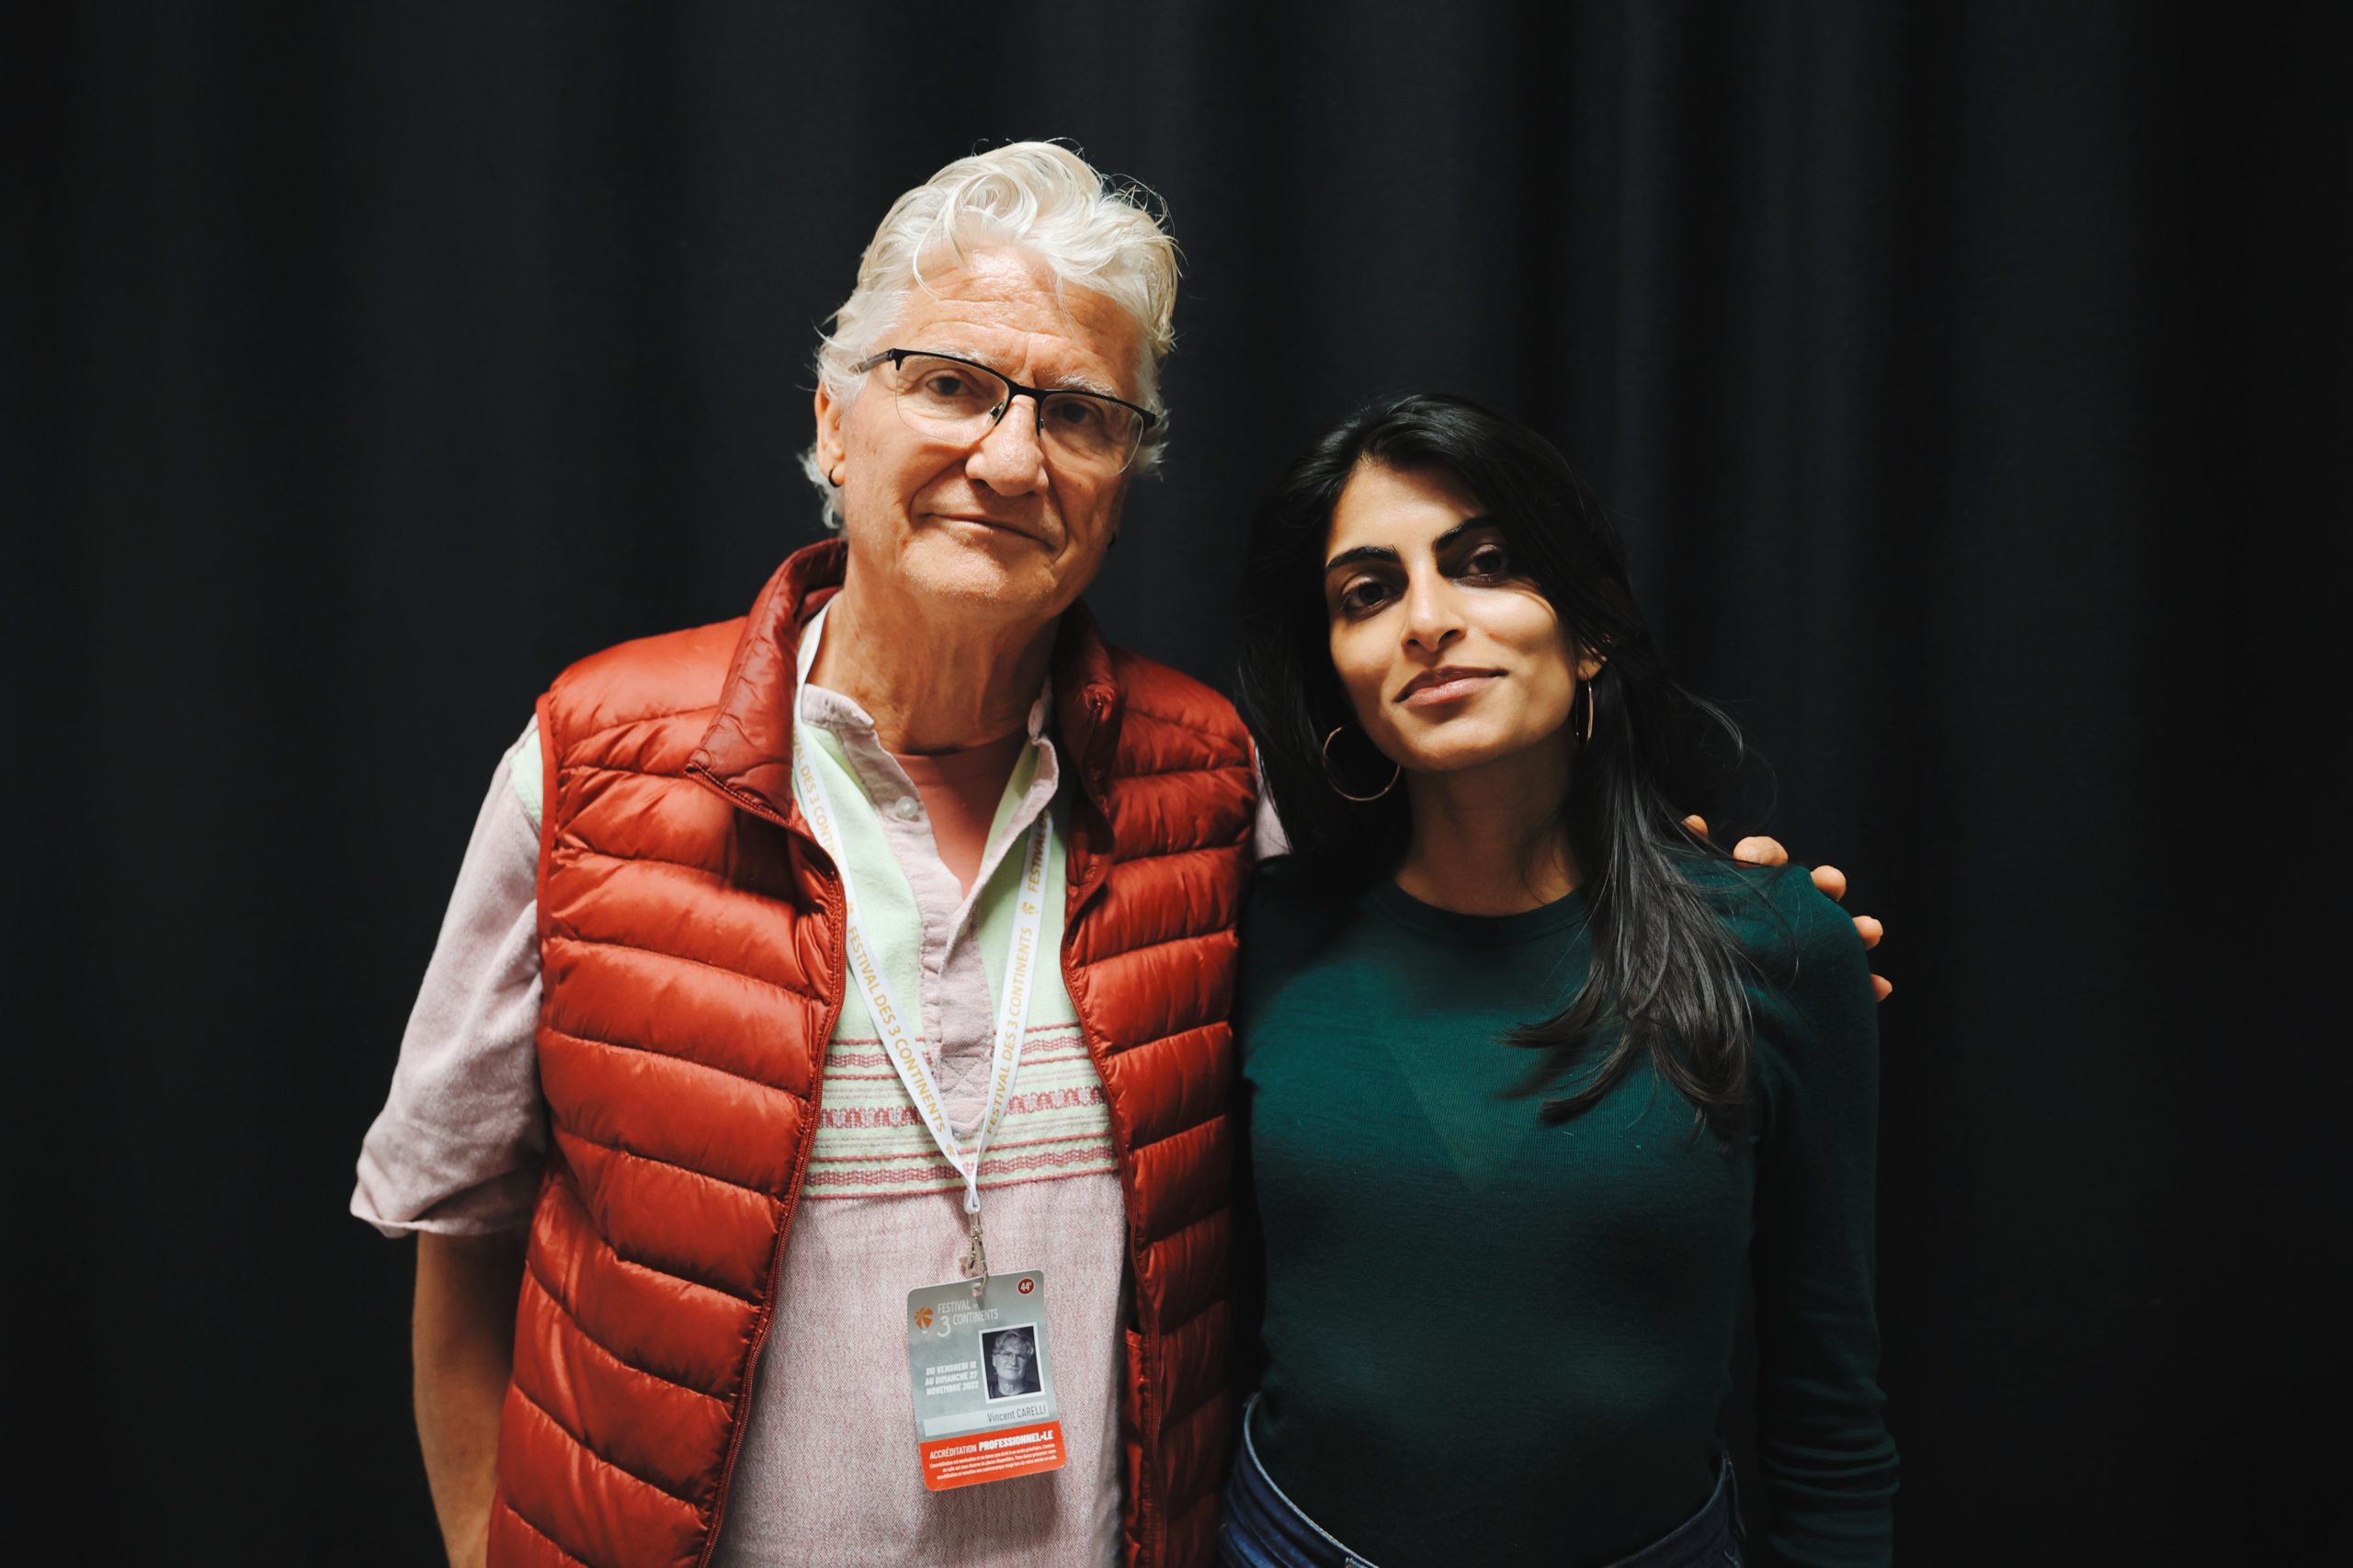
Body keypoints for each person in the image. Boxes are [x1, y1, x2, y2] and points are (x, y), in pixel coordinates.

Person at [354, 143, 1882, 1568]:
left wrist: (1723, 914)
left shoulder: (1207, 787)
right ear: (834, 416)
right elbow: (459, 1227)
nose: (1010, 458)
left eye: (1078, 413)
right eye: (950, 383)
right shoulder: (597, 759)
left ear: (1120, 475)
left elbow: (1479, 925)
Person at [1224, 394, 1899, 1567]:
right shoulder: (1255, 940)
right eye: (1368, 592)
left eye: (1485, 565)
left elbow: (1827, 1403)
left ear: (1586, 631)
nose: (1427, 621)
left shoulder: (1781, 945)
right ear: (1337, 670)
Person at [985, 1328, 1045, 1400]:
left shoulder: (1039, 1390)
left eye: (1020, 1356)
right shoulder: (984, 1391)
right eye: (1007, 1354)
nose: (1014, 1362)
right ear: (994, 1360)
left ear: (1028, 1364)